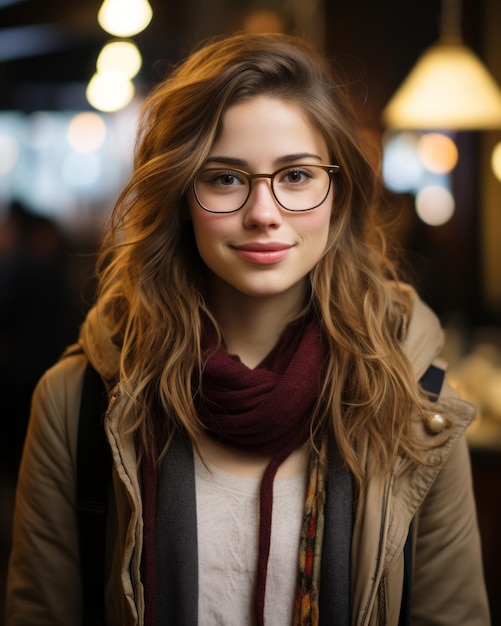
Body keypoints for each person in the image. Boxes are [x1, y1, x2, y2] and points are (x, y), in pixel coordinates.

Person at [5, 32, 490, 626]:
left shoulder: (418, 406)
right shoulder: (74, 403)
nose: (264, 213)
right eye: (226, 179)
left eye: (296, 176)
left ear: (337, 195)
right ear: (183, 195)